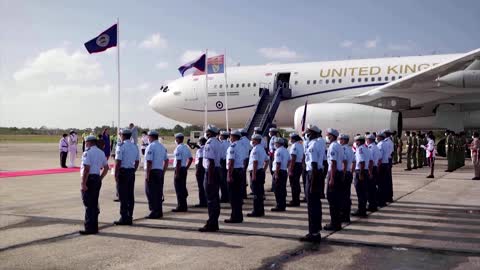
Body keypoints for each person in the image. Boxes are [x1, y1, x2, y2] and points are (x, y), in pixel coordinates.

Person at [300, 124, 325, 243]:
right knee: (316, 204)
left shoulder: (313, 145)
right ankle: (316, 230)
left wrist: (313, 183)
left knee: (312, 205)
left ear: (313, 134)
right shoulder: (318, 142)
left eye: (308, 133)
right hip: (316, 174)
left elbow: (314, 165)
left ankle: (313, 233)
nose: (306, 135)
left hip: (313, 175)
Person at [79, 135, 109, 235]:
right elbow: (106, 168)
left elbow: (86, 169)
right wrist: (100, 178)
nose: (85, 144)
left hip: (89, 179)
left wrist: (83, 183)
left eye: (86, 142)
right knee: (94, 203)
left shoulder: (87, 152)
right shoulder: (101, 152)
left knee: (89, 204)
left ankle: (89, 228)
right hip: (96, 178)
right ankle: (94, 227)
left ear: (89, 142)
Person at [114, 129, 140, 225]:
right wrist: (133, 170)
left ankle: (124, 217)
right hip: (131, 172)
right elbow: (137, 161)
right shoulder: (134, 146)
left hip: (123, 172)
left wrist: (116, 175)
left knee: (123, 195)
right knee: (130, 195)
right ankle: (129, 216)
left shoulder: (121, 146)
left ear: (123, 136)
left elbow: (118, 162)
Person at [199, 125, 222, 232]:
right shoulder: (218, 142)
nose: (206, 134)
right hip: (217, 170)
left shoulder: (209, 143)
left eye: (207, 132)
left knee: (211, 199)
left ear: (209, 133)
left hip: (211, 171)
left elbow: (211, 161)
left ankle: (212, 223)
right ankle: (214, 222)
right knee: (215, 198)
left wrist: (209, 178)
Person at [144, 130, 169, 219]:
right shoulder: (162, 147)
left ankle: (154, 211)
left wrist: (147, 174)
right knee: (158, 193)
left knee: (150, 192)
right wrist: (163, 171)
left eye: (148, 136)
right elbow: (166, 161)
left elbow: (149, 161)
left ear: (151, 137)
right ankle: (159, 211)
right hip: (159, 171)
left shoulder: (150, 146)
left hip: (152, 172)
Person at [324, 128, 344, 231]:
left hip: (334, 174)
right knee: (337, 199)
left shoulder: (332, 147)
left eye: (328, 135)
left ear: (332, 136)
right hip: (338, 173)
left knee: (332, 199)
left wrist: (331, 178)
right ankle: (337, 222)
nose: (327, 136)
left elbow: (333, 163)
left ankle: (334, 223)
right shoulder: (339, 146)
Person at [225, 130, 245, 223]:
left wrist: (229, 175)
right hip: (240, 170)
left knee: (233, 196)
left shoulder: (232, 147)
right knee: (238, 196)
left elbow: (231, 162)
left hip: (234, 172)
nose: (230, 138)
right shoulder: (241, 146)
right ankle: (239, 216)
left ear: (234, 137)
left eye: (231, 136)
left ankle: (235, 217)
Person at [247, 134, 269, 217]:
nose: (252, 141)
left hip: (255, 172)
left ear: (256, 140)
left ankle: (256, 211)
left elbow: (255, 162)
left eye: (253, 140)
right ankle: (261, 211)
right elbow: (267, 160)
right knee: (259, 193)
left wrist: (254, 174)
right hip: (260, 172)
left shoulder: (255, 149)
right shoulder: (262, 149)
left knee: (256, 193)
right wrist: (263, 169)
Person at [172, 133, 193, 212]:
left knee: (179, 188)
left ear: (177, 139)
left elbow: (178, 161)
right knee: (183, 187)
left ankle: (181, 206)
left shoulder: (178, 148)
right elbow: (190, 159)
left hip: (179, 169)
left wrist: (177, 173)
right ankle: (184, 205)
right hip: (183, 169)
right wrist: (186, 167)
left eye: (176, 139)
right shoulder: (186, 147)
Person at [352, 135, 371, 217]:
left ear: (359, 142)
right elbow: (370, 161)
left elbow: (362, 162)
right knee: (364, 192)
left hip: (360, 171)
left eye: (356, 141)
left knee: (360, 193)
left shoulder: (360, 149)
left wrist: (360, 174)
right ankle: (362, 210)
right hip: (365, 171)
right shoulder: (366, 148)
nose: (356, 143)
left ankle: (361, 211)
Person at [271, 137, 290, 212]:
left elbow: (278, 163)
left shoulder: (278, 151)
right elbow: (289, 161)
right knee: (282, 189)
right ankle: (282, 205)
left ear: (278, 143)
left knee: (277, 190)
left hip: (279, 171)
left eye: (275, 143)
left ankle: (279, 205)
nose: (274, 144)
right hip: (284, 171)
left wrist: (276, 174)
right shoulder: (286, 150)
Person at [339, 134, 354, 222]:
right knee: (347, 195)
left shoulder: (343, 149)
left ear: (344, 140)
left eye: (341, 139)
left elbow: (344, 162)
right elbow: (354, 162)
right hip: (348, 172)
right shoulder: (350, 149)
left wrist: (343, 174)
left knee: (342, 195)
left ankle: (343, 215)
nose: (339, 141)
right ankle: (346, 215)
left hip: (344, 173)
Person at [288, 133, 304, 207]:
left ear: (293, 139)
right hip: (299, 164)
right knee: (296, 183)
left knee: (294, 184)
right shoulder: (300, 145)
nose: (290, 140)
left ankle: (295, 201)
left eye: (290, 138)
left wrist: (290, 169)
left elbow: (293, 158)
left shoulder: (294, 145)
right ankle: (296, 199)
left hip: (295, 165)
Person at [366, 134, 380, 212]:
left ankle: (372, 205)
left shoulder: (370, 148)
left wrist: (370, 172)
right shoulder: (376, 147)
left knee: (370, 188)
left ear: (369, 140)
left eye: (367, 139)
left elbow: (370, 161)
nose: (366, 141)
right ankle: (373, 204)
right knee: (373, 188)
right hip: (374, 168)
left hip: (371, 168)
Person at [376, 132, 390, 207]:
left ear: (380, 137)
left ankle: (380, 201)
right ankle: (383, 200)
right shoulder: (386, 144)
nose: (376, 138)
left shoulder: (380, 144)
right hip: (386, 164)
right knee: (384, 184)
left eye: (377, 136)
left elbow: (379, 158)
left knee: (380, 184)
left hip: (381, 165)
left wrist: (377, 167)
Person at [194, 137, 208, 207]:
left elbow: (200, 160)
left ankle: (202, 202)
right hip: (204, 168)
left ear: (201, 142)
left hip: (200, 168)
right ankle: (205, 201)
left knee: (201, 186)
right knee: (204, 186)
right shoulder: (205, 148)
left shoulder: (200, 150)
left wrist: (197, 170)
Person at [219, 131, 230, 203]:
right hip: (228, 162)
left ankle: (224, 197)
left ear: (222, 136)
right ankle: (228, 196)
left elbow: (219, 154)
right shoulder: (230, 143)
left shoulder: (221, 144)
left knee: (222, 181)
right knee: (227, 180)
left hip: (222, 162)